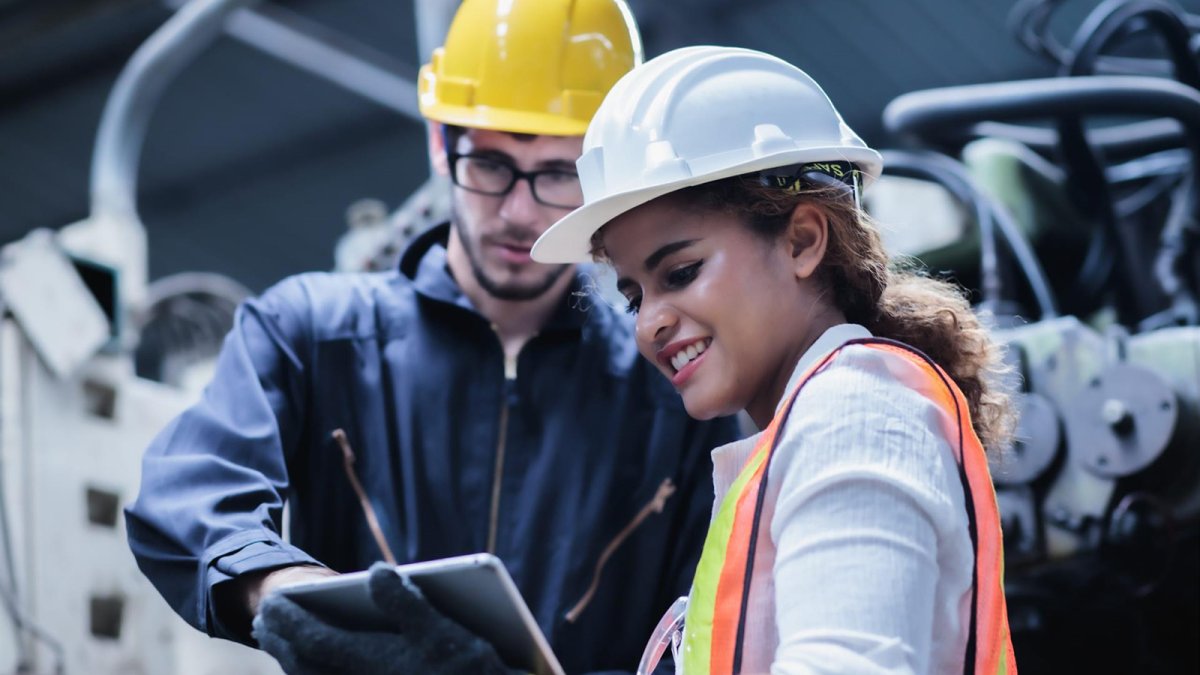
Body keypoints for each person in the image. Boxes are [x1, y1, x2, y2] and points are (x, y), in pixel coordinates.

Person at [124, 3, 740, 673]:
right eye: (492, 163)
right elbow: (187, 494)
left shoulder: (669, 393)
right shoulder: (312, 333)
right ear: (440, 145)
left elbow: (706, 643)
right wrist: (279, 589)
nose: (519, 211)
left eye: (559, 173)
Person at [532, 46, 1019, 674]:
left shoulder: (854, 418)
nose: (649, 320)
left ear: (802, 241)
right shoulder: (812, 432)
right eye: (633, 297)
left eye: (680, 272)